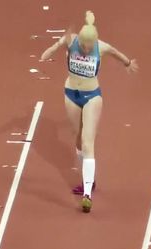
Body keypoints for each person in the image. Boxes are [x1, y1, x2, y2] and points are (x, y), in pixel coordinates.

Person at [40, 11, 138, 213]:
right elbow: (54, 48)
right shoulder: (71, 40)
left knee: (87, 141)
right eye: (84, 46)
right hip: (71, 95)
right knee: (77, 139)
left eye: (89, 47)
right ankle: (89, 180)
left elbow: (119, 56)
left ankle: (86, 194)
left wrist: (128, 64)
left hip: (92, 96)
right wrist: (50, 51)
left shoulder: (101, 47)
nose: (86, 50)